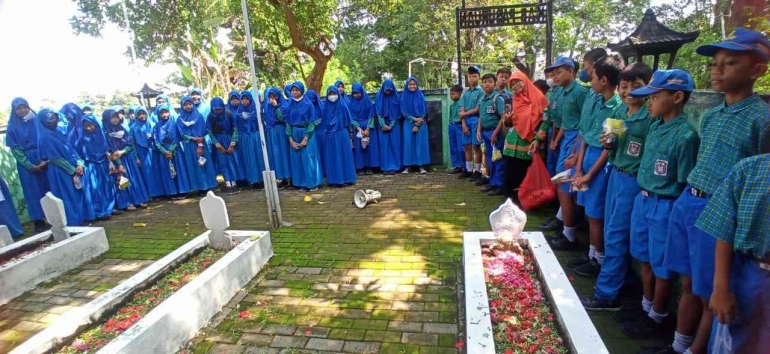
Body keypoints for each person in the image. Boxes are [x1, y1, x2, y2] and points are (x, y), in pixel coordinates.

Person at [645, 28, 770, 354]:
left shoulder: (762, 119)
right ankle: (679, 343)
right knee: (687, 281)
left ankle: (696, 349)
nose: (717, 70)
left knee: (710, 291)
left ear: (757, 70)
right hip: (690, 199)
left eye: (729, 63)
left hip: (720, 212)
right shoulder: (712, 114)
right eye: (715, 63)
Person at [614, 70, 700, 345]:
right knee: (645, 257)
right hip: (643, 198)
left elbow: (684, 180)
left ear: (676, 97)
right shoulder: (655, 126)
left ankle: (658, 315)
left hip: (666, 204)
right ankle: (645, 305)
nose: (648, 102)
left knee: (662, 265)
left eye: (654, 96)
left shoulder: (686, 136)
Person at [580, 62, 653, 311]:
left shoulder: (649, 118)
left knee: (616, 234)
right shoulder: (622, 113)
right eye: (624, 85)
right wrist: (608, 143)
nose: (628, 91)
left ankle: (606, 294)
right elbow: (612, 145)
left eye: (637, 86)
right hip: (615, 174)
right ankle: (621, 281)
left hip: (633, 182)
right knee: (613, 230)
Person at [697, 142, 769, 354]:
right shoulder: (749, 170)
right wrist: (720, 289)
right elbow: (725, 231)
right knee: (735, 344)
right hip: (752, 274)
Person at [569, 55, 623, 277]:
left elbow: (608, 149)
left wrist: (589, 174)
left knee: (597, 214)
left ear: (603, 80)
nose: (589, 81)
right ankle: (592, 252)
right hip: (588, 156)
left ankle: (599, 258)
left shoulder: (617, 110)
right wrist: (579, 168)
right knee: (590, 212)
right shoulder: (596, 101)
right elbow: (587, 135)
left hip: (602, 164)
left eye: (591, 77)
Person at [540, 56, 589, 251]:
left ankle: (569, 232)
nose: (554, 76)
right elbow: (559, 120)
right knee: (561, 182)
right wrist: (556, 138)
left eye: (559, 71)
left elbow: (584, 124)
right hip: (565, 136)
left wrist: (576, 151)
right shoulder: (559, 92)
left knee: (565, 182)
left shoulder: (580, 92)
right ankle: (564, 226)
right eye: (553, 72)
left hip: (576, 139)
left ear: (571, 71)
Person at [497, 71, 548, 201]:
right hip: (511, 143)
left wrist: (538, 139)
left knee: (524, 172)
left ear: (525, 81)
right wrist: (507, 120)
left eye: (517, 82)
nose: (515, 86)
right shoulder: (514, 99)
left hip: (527, 143)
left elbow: (547, 121)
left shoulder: (539, 98)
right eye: (512, 84)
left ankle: (524, 200)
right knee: (510, 172)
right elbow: (510, 122)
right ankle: (510, 200)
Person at [36, 109, 92, 226]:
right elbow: (55, 158)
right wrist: (72, 171)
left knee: (77, 194)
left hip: (74, 167)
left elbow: (72, 150)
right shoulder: (45, 137)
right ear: (43, 121)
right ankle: (73, 222)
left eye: (55, 117)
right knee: (67, 196)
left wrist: (80, 164)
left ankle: (82, 218)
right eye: (50, 119)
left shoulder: (59, 133)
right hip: (61, 171)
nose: (54, 121)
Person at [6, 98, 50, 232]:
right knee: (32, 192)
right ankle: (38, 221)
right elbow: (15, 149)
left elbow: (46, 139)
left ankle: (53, 217)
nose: (22, 110)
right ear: (14, 111)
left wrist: (45, 159)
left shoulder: (37, 122)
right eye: (18, 108)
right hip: (26, 165)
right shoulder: (12, 127)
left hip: (43, 158)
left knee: (47, 188)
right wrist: (28, 165)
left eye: (25, 107)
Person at [103, 109, 149, 211]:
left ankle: (138, 199)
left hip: (128, 157)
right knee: (122, 180)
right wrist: (118, 162)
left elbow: (130, 144)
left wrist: (125, 152)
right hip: (116, 160)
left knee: (133, 179)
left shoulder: (122, 129)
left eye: (116, 116)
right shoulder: (105, 133)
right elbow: (109, 148)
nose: (115, 119)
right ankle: (127, 202)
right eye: (112, 117)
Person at [75, 113, 117, 221]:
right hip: (91, 167)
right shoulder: (81, 139)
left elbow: (108, 150)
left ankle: (108, 208)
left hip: (103, 165)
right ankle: (99, 212)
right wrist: (80, 164)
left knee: (107, 187)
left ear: (95, 124)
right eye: (85, 126)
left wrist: (110, 158)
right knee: (95, 189)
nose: (88, 128)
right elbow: (78, 155)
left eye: (91, 125)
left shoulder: (102, 136)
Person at [285, 82, 323, 191]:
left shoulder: (308, 104)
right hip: (294, 132)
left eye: (296, 90)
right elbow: (288, 123)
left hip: (307, 132)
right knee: (297, 159)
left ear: (301, 91)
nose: (294, 92)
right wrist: (291, 139)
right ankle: (302, 183)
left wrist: (306, 138)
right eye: (292, 90)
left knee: (309, 158)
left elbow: (312, 123)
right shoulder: (290, 104)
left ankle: (313, 183)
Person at [176, 96, 218, 193]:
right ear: (182, 106)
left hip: (201, 143)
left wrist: (199, 141)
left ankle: (209, 185)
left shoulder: (198, 116)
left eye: (190, 104)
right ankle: (199, 187)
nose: (188, 106)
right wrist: (193, 138)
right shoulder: (179, 119)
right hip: (189, 145)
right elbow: (182, 134)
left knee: (204, 163)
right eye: (185, 105)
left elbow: (205, 129)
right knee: (194, 165)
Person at [475, 73, 507, 196]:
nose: (487, 84)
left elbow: (503, 117)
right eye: (485, 82)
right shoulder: (482, 99)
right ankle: (492, 183)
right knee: (489, 160)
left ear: (495, 83)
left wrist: (495, 133)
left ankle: (499, 185)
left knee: (498, 160)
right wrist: (478, 130)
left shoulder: (498, 98)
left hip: (495, 134)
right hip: (485, 133)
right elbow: (481, 117)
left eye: (490, 81)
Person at [320, 86, 357, 186]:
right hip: (329, 135)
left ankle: (346, 179)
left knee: (343, 155)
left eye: (334, 94)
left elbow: (349, 122)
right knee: (332, 157)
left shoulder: (343, 106)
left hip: (342, 134)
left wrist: (351, 134)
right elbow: (322, 123)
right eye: (330, 94)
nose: (332, 96)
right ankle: (334, 180)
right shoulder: (325, 108)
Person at [153, 104, 188, 198]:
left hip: (176, 152)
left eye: (166, 112)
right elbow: (156, 141)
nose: (164, 114)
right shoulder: (156, 127)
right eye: (162, 113)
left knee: (179, 170)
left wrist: (171, 150)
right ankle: (172, 192)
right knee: (167, 172)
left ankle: (182, 190)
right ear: (158, 114)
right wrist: (165, 152)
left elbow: (177, 137)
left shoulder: (174, 124)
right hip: (164, 154)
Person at [208, 97, 241, 195]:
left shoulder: (229, 114)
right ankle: (227, 183)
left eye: (220, 109)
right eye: (216, 109)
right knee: (223, 163)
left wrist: (232, 144)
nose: (218, 111)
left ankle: (234, 183)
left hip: (229, 138)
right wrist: (218, 145)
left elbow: (235, 129)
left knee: (232, 161)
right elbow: (209, 132)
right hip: (218, 141)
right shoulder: (210, 117)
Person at [130, 107, 163, 200]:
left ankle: (161, 192)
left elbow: (159, 139)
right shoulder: (133, 128)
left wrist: (152, 137)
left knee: (157, 172)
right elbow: (131, 144)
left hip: (154, 152)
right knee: (147, 174)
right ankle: (152, 194)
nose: (142, 116)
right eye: (139, 114)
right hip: (142, 153)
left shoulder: (152, 125)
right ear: (136, 116)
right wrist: (136, 157)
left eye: (143, 113)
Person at [235, 90, 266, 189]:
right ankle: (254, 181)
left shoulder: (256, 109)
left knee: (258, 158)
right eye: (242, 99)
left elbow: (261, 123)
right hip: (245, 138)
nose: (244, 101)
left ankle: (261, 180)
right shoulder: (239, 112)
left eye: (246, 99)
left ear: (250, 99)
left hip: (255, 136)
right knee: (249, 159)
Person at [458, 66, 484, 180]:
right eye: (470, 76)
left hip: (476, 120)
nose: (472, 78)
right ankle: (468, 170)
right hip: (466, 121)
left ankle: (477, 171)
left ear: (479, 77)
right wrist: (463, 123)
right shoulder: (465, 93)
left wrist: (464, 114)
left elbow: (478, 109)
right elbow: (461, 110)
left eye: (474, 76)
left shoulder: (481, 91)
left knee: (477, 146)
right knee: (467, 146)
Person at [263, 87, 291, 189]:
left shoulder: (284, 105)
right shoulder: (266, 106)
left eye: (274, 96)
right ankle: (281, 178)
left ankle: (289, 178)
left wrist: (276, 106)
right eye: (270, 97)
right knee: (276, 155)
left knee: (284, 153)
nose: (272, 99)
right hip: (271, 133)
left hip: (281, 131)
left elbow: (282, 118)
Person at [401, 77, 430, 174]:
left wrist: (417, 124)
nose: (412, 86)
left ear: (417, 85)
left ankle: (421, 166)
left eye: (414, 84)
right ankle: (407, 166)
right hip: (408, 123)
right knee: (408, 144)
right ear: (407, 85)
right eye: (410, 84)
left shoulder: (420, 96)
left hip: (420, 123)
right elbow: (403, 112)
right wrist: (413, 119)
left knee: (420, 144)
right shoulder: (403, 97)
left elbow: (424, 111)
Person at [349, 82, 380, 175]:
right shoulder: (351, 104)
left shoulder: (368, 102)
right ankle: (361, 167)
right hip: (358, 129)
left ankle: (370, 167)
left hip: (368, 128)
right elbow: (351, 118)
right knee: (359, 148)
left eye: (358, 93)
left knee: (369, 147)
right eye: (354, 93)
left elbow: (371, 116)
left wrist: (367, 129)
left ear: (362, 92)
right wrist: (358, 128)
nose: (356, 95)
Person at [375, 79, 404, 175]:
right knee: (384, 146)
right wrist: (383, 124)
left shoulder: (397, 98)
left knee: (395, 145)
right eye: (386, 90)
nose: (388, 92)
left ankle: (395, 167)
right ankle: (385, 167)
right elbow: (378, 112)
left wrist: (390, 126)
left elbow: (397, 113)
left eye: (390, 90)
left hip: (394, 125)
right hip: (382, 125)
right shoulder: (378, 97)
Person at [306, 90, 326, 176]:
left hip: (322, 132)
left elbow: (325, 118)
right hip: (311, 133)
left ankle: (325, 170)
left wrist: (316, 122)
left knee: (323, 152)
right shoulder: (305, 107)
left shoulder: (322, 106)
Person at [447, 85, 465, 174]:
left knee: (461, 147)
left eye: (453, 94)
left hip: (459, 126)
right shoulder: (452, 105)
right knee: (453, 147)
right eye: (450, 94)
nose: (451, 96)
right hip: (452, 126)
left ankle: (463, 165)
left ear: (460, 93)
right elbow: (451, 116)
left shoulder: (462, 104)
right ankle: (456, 166)